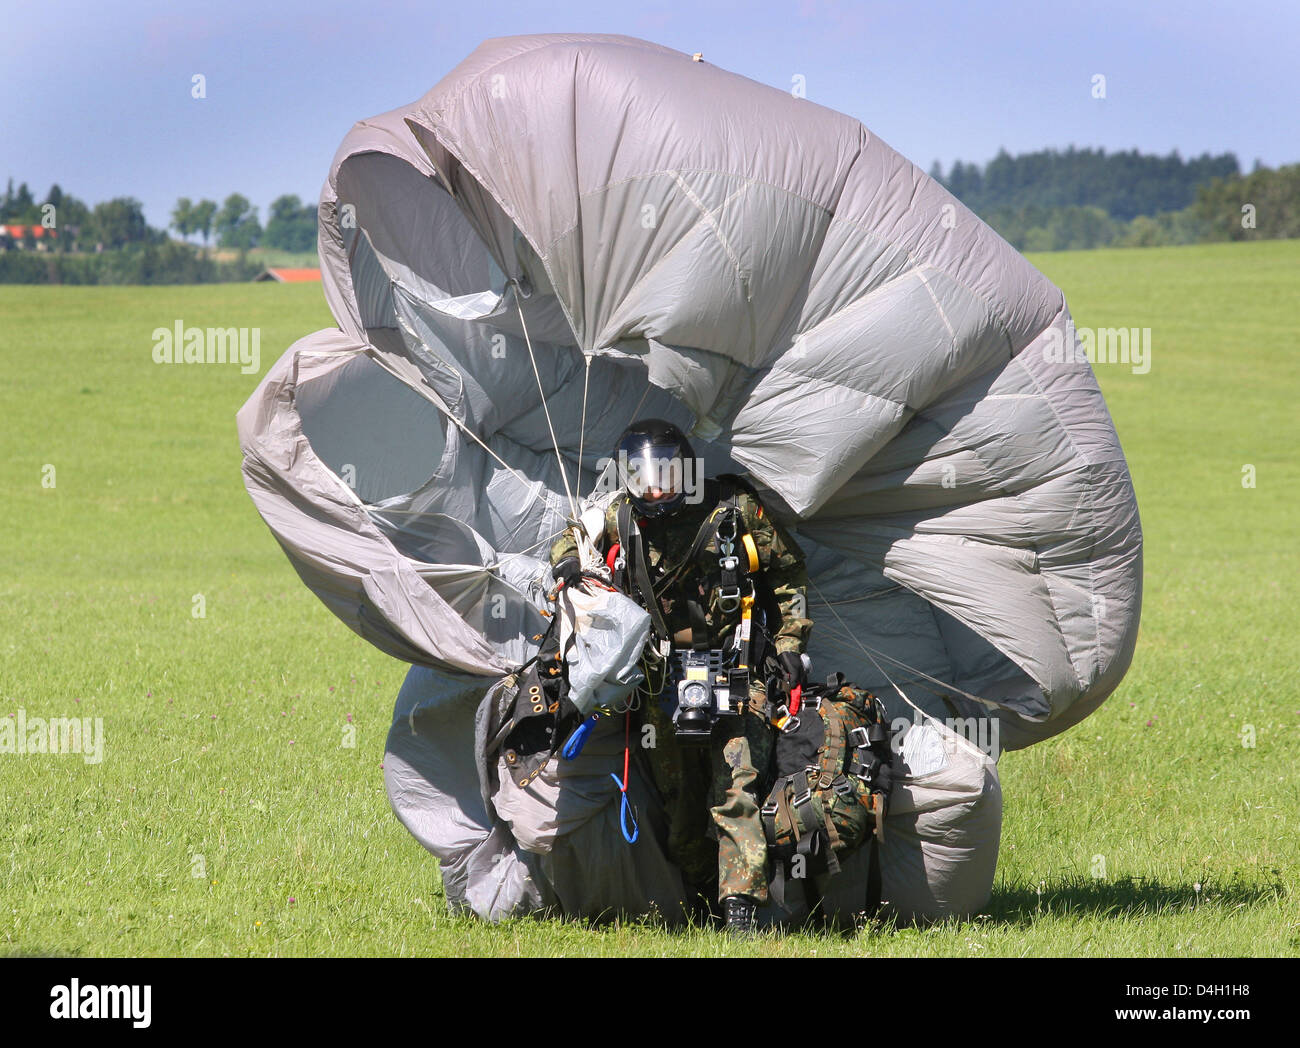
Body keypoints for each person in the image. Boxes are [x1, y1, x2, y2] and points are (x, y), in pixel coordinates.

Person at [550, 419, 812, 935]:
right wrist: (566, 567)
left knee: (735, 790)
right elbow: (571, 536)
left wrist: (789, 650)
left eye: (664, 476)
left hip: (737, 674)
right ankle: (698, 902)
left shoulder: (733, 510)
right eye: (642, 478)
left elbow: (789, 575)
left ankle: (740, 912)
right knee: (680, 804)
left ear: (686, 470)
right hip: (659, 684)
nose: (654, 489)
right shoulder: (620, 515)